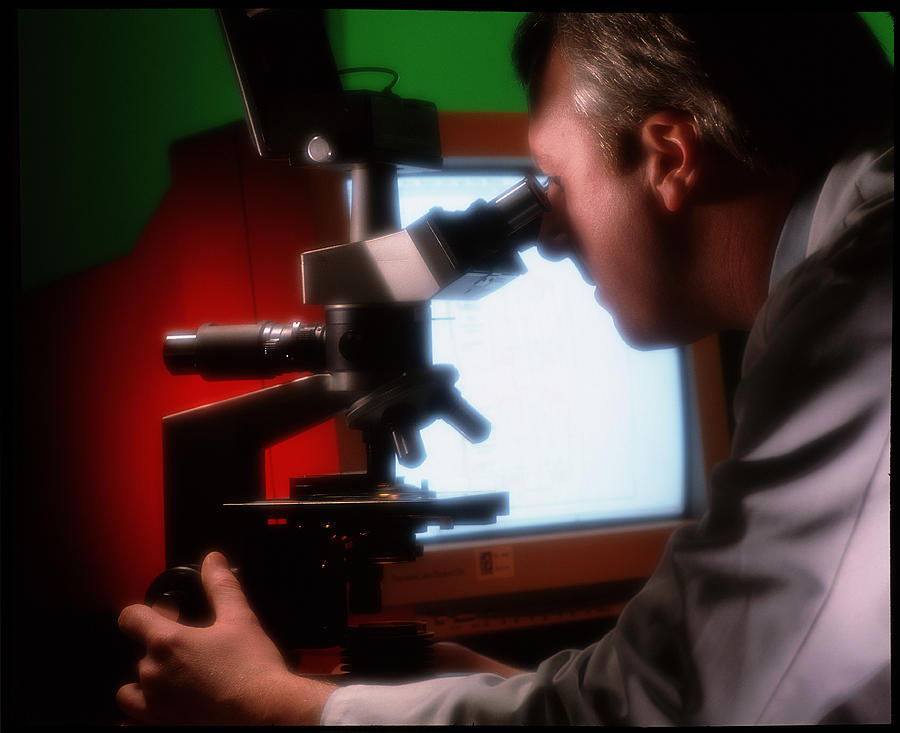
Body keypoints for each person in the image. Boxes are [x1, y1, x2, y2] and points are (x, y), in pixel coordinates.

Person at [116, 12, 892, 725]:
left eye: (551, 181)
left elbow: (679, 704)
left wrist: (272, 704)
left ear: (669, 155)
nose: (546, 234)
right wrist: (506, 698)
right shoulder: (852, 255)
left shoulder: (858, 308)